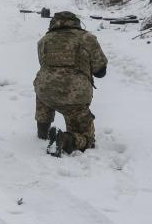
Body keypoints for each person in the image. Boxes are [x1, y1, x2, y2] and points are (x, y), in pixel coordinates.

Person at [33, 11, 108, 156]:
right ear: (76, 22)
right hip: (74, 96)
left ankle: (42, 131)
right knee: (87, 138)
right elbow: (100, 71)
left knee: (45, 89)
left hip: (45, 91)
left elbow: (46, 66)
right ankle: (65, 140)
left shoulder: (43, 40)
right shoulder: (87, 38)